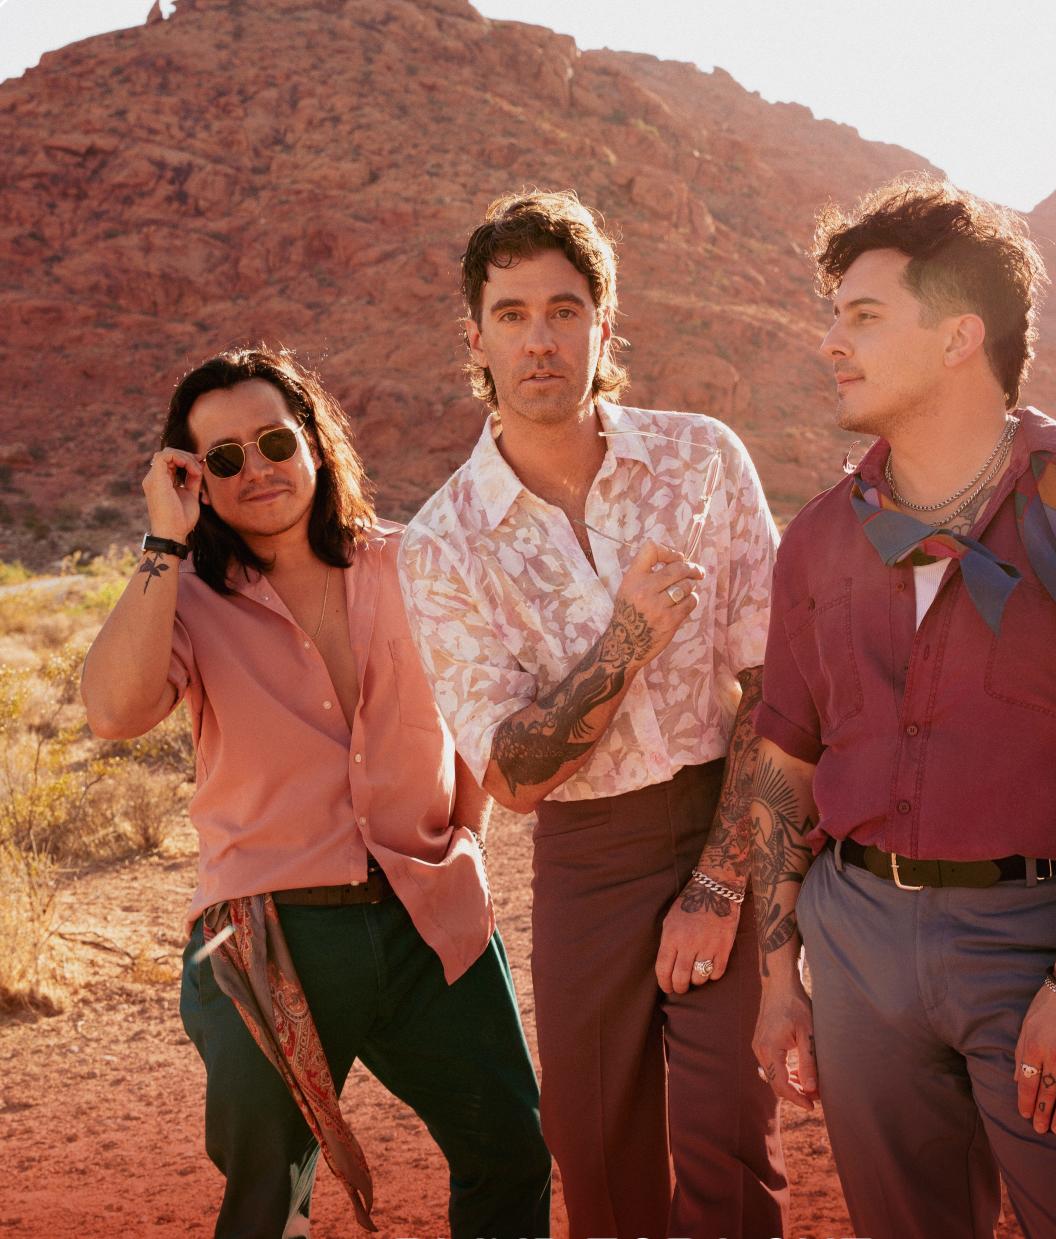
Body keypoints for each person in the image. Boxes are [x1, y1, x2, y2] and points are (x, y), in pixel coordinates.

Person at [749, 176, 1056, 1239]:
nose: (833, 342)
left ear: (962, 334)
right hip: (859, 942)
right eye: (835, 318)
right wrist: (779, 974)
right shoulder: (824, 536)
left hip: (1044, 941)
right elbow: (784, 759)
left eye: (864, 317)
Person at [80, 346, 551, 1239]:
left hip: (429, 917)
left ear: (317, 445)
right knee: (268, 1198)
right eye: (222, 459)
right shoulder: (184, 598)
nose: (255, 469)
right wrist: (162, 538)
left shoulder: (415, 562)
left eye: (273, 441)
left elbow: (480, 704)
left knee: (514, 1153)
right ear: (197, 482)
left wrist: (469, 835)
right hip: (267, 935)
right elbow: (112, 709)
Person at [400, 190, 788, 1239]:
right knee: (597, 1157)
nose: (541, 338)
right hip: (587, 861)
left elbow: (777, 686)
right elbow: (518, 777)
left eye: (566, 310)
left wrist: (719, 880)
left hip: (727, 824)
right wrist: (625, 642)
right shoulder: (443, 542)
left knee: (730, 1145)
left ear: (605, 325)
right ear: (473, 335)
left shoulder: (700, 460)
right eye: (514, 312)